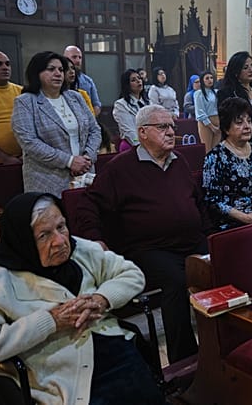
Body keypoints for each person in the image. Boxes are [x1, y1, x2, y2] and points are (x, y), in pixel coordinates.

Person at [0, 192, 165, 405]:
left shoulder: (78, 248)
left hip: (114, 351)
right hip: (60, 373)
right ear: (23, 239)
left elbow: (132, 274)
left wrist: (102, 298)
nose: (60, 241)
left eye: (61, 227)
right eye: (44, 235)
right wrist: (50, 321)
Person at [77, 104, 207, 364]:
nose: (171, 132)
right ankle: (185, 363)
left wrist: (208, 232)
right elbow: (87, 204)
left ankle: (222, 348)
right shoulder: (121, 167)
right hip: (149, 248)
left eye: (172, 126)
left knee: (226, 263)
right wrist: (95, 239)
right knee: (175, 280)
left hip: (190, 242)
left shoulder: (178, 161)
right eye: (163, 127)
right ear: (143, 132)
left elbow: (197, 202)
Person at [11, 51, 101, 197]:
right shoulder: (25, 102)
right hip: (47, 179)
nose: (58, 73)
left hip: (84, 173)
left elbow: (94, 130)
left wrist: (88, 158)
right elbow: (29, 142)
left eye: (60, 69)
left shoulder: (75, 97)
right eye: (51, 69)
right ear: (37, 73)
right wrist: (69, 161)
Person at [203, 97, 252, 232]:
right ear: (226, 128)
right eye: (239, 122)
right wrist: (246, 218)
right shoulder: (215, 157)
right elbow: (213, 200)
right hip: (235, 223)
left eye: (249, 121)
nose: (247, 126)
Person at [216, 51, 252, 157]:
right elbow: (226, 122)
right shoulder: (227, 93)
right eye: (245, 67)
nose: (251, 70)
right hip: (239, 144)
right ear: (236, 72)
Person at [112, 69, 149, 151]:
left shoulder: (148, 102)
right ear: (127, 85)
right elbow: (129, 131)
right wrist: (143, 146)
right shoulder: (121, 104)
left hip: (151, 145)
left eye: (139, 78)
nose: (138, 81)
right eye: (133, 80)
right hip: (132, 145)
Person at [64, 46, 101, 115]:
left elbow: (96, 105)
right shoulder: (58, 80)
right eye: (74, 57)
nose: (78, 61)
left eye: (80, 57)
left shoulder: (88, 81)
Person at [194, 70, 221, 149]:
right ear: (202, 81)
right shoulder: (199, 93)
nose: (210, 80)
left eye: (211, 78)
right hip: (205, 122)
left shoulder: (216, 92)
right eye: (207, 78)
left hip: (217, 119)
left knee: (216, 148)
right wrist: (211, 126)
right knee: (207, 149)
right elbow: (200, 112)